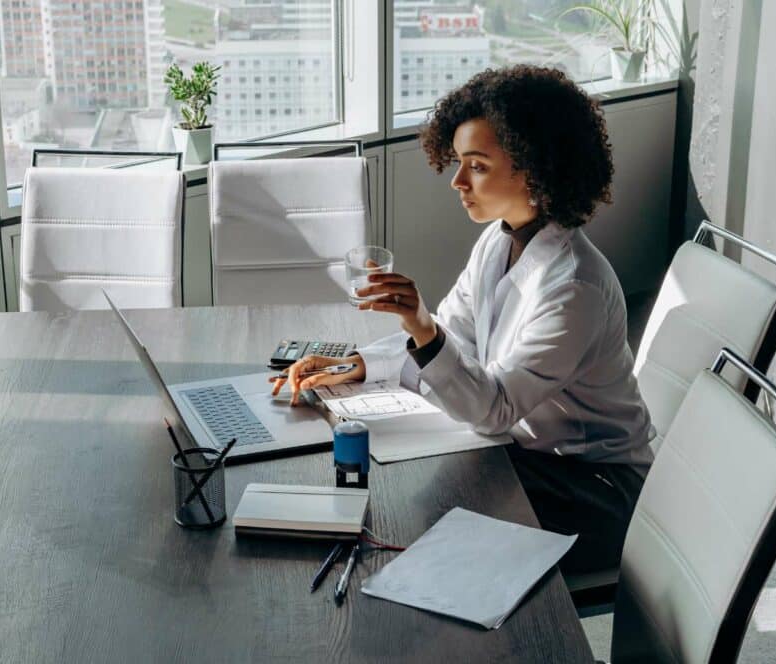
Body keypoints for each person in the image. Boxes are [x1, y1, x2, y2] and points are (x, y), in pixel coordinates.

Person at [272, 65, 654, 574]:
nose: (456, 181)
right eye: (458, 162)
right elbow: (453, 333)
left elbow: (494, 406)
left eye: (476, 165)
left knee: (415, 516)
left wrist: (421, 326)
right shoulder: (500, 240)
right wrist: (356, 365)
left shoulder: (573, 286)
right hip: (527, 456)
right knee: (406, 493)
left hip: (595, 491)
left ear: (535, 167)